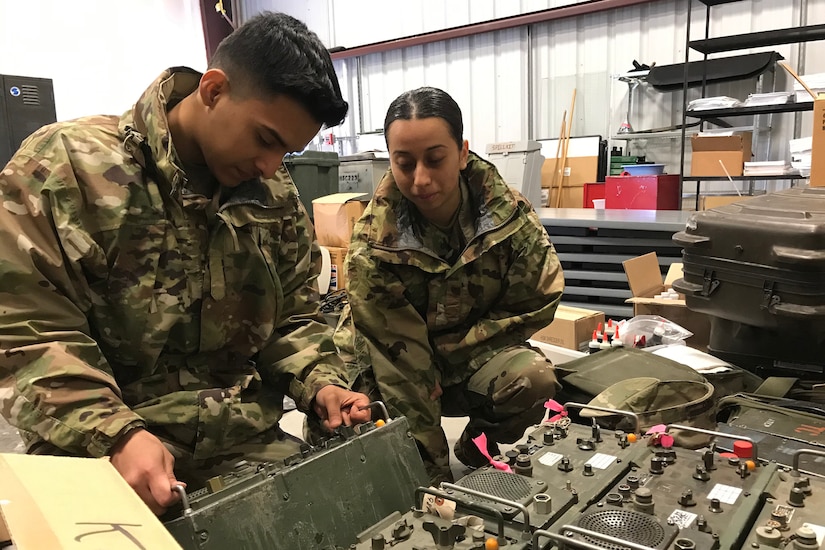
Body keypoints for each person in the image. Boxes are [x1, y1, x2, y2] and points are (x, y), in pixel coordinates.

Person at [0, 12, 371, 516]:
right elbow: (29, 333)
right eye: (265, 139)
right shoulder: (67, 167)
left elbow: (293, 317)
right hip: (101, 450)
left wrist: (321, 382)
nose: (270, 165)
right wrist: (117, 434)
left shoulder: (272, 194)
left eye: (286, 150)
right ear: (214, 90)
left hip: (236, 442)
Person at [334, 87, 565, 482]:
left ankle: (476, 445)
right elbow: (402, 373)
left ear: (461, 153)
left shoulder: (507, 218)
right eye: (404, 163)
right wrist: (436, 483)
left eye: (435, 159)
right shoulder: (373, 244)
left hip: (467, 358)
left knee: (533, 378)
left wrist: (452, 356)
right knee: (343, 427)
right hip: (386, 362)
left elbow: (537, 300)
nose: (420, 179)